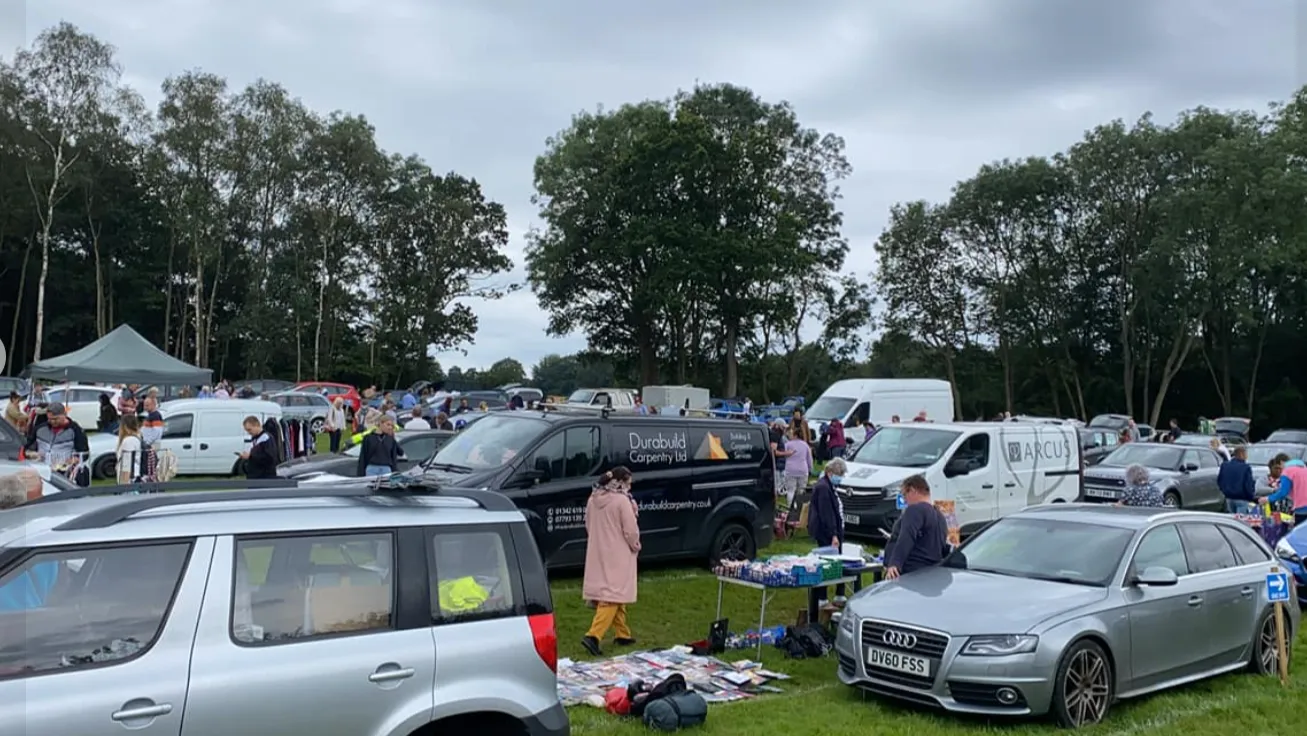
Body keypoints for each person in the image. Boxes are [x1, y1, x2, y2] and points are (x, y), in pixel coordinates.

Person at [580, 466, 640, 657]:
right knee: (613, 595)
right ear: (622, 482)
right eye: (628, 483)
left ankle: (622, 633)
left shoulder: (593, 498)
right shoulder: (622, 501)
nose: (630, 487)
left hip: (598, 550)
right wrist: (635, 544)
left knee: (614, 591)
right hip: (618, 552)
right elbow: (630, 530)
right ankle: (593, 636)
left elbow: (588, 524)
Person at [883, 474, 950, 580]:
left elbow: (906, 537)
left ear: (913, 490)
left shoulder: (915, 510)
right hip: (930, 573)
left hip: (910, 572)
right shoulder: (940, 516)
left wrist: (895, 563)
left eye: (904, 495)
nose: (905, 501)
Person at [809, 458, 848, 602]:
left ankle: (838, 593)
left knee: (835, 562)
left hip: (833, 530)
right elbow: (827, 514)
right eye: (839, 474)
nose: (841, 478)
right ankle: (822, 597)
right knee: (826, 563)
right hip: (827, 532)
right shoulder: (823, 488)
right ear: (830, 472)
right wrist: (833, 534)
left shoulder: (828, 486)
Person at [25, 403, 90, 485]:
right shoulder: (40, 429)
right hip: (41, 471)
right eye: (49, 419)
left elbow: (84, 453)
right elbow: (26, 445)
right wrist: (31, 454)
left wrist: (71, 461)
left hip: (65, 474)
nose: (52, 422)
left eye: (55, 419)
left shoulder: (76, 430)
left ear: (64, 415)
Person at [1266, 454, 1307, 527]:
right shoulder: (1303, 468)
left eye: (1279, 467)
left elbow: (1283, 492)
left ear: (1281, 462)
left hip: (1301, 507)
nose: (1280, 470)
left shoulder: (1287, 471)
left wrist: (1268, 499)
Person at [1216, 445, 1255, 513]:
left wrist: (1224, 491)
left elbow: (1220, 480)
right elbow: (1248, 485)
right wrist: (1251, 497)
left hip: (1228, 497)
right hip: (1242, 498)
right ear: (1242, 454)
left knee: (1231, 519)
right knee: (1241, 520)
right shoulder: (1245, 468)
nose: (1246, 456)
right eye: (1245, 454)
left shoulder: (1225, 465)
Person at [780, 428, 812, 506]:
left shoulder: (788, 444)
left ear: (795, 435)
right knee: (801, 490)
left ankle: (790, 506)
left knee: (790, 490)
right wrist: (810, 468)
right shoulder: (805, 445)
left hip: (790, 470)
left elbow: (784, 455)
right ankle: (799, 507)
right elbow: (809, 458)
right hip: (803, 470)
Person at [116, 415, 144, 484]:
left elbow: (127, 463)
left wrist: (124, 484)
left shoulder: (128, 441)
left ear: (124, 426)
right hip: (135, 475)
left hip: (129, 479)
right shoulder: (138, 437)